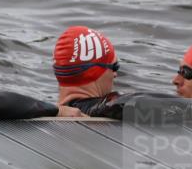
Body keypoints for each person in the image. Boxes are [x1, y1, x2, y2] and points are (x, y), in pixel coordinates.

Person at [53, 26, 184, 119]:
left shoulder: (49, 111)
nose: (115, 74)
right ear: (95, 71)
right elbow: (125, 103)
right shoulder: (94, 110)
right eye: (115, 66)